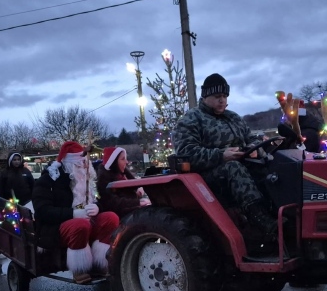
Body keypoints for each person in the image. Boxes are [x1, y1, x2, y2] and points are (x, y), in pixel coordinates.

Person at [173, 73, 278, 238]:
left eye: (224, 96)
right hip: (207, 176)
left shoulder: (233, 118)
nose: (222, 100)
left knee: (272, 168)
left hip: (243, 166)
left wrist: (254, 148)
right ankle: (260, 218)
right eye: (217, 96)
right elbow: (186, 153)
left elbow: (250, 138)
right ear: (206, 96)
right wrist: (221, 155)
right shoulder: (191, 120)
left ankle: (280, 212)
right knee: (233, 168)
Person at [32, 141, 119, 284]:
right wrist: (73, 214)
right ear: (68, 165)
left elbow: (99, 200)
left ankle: (100, 263)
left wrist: (97, 207)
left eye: (85, 164)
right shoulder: (47, 180)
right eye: (79, 164)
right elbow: (42, 211)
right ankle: (79, 268)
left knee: (111, 218)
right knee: (80, 225)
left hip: (88, 221)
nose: (83, 167)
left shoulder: (87, 180)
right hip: (56, 228)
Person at [97, 146, 150, 218]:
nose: (126, 162)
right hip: (122, 216)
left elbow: (134, 183)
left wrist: (138, 188)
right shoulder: (104, 179)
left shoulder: (123, 172)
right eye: (123, 159)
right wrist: (137, 203)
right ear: (113, 162)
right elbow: (112, 202)